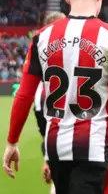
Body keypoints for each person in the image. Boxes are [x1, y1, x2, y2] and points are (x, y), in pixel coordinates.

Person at [3, 0, 108, 194]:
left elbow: (25, 94)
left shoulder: (42, 37)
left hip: (56, 147)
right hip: (96, 146)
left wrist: (12, 141)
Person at [32, 11, 66, 194]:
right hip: (53, 102)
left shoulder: (39, 46)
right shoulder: (66, 46)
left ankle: (51, 166)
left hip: (41, 101)